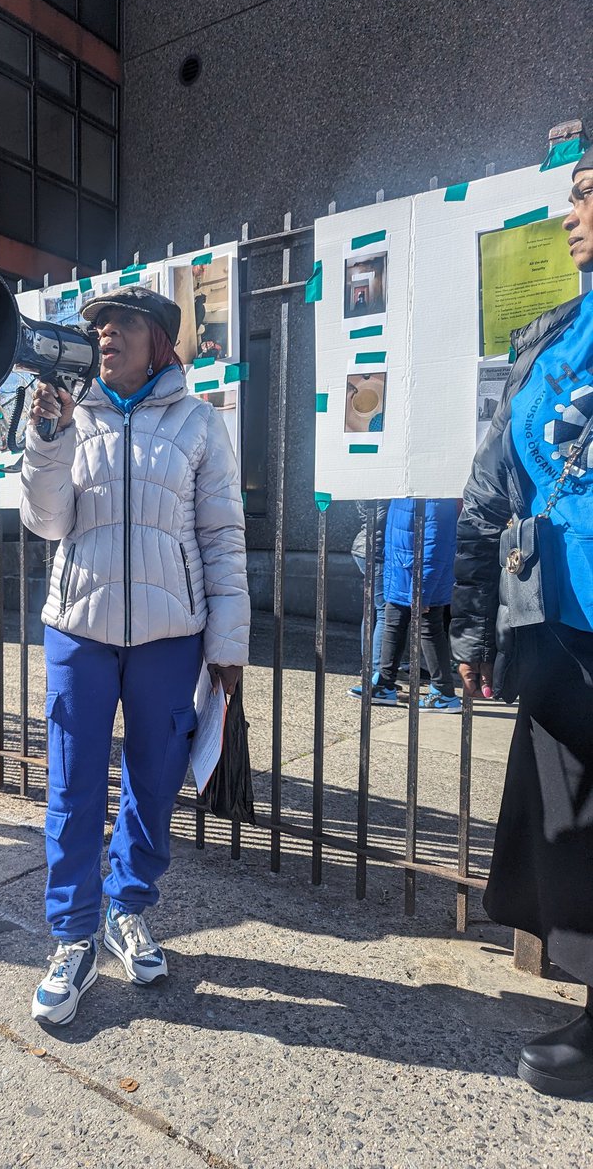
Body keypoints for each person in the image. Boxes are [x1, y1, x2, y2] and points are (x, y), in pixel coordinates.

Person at [20, 284, 250, 1026]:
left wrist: (228, 645)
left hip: (169, 634)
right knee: (73, 782)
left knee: (153, 782)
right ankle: (72, 934)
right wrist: (46, 441)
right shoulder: (69, 412)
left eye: (122, 324)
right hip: (78, 631)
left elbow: (221, 536)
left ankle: (128, 907)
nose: (106, 335)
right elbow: (46, 521)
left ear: (159, 339)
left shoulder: (198, 422)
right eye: (98, 326)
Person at [450, 147, 593, 1098]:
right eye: (573, 193)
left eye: (590, 193)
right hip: (560, 629)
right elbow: (490, 488)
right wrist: (471, 624)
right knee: (572, 831)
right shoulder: (555, 335)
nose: (573, 212)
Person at [350, 497, 461, 712]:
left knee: (428, 629)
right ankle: (384, 684)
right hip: (401, 574)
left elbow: (435, 548)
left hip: (421, 579)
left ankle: (444, 692)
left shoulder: (436, 499)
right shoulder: (404, 494)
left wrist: (422, 591)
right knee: (393, 623)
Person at [350, 499, 388, 675]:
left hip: (366, 548)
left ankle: (370, 665)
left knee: (371, 610)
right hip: (375, 550)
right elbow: (380, 519)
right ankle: (376, 669)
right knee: (383, 611)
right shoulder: (382, 490)